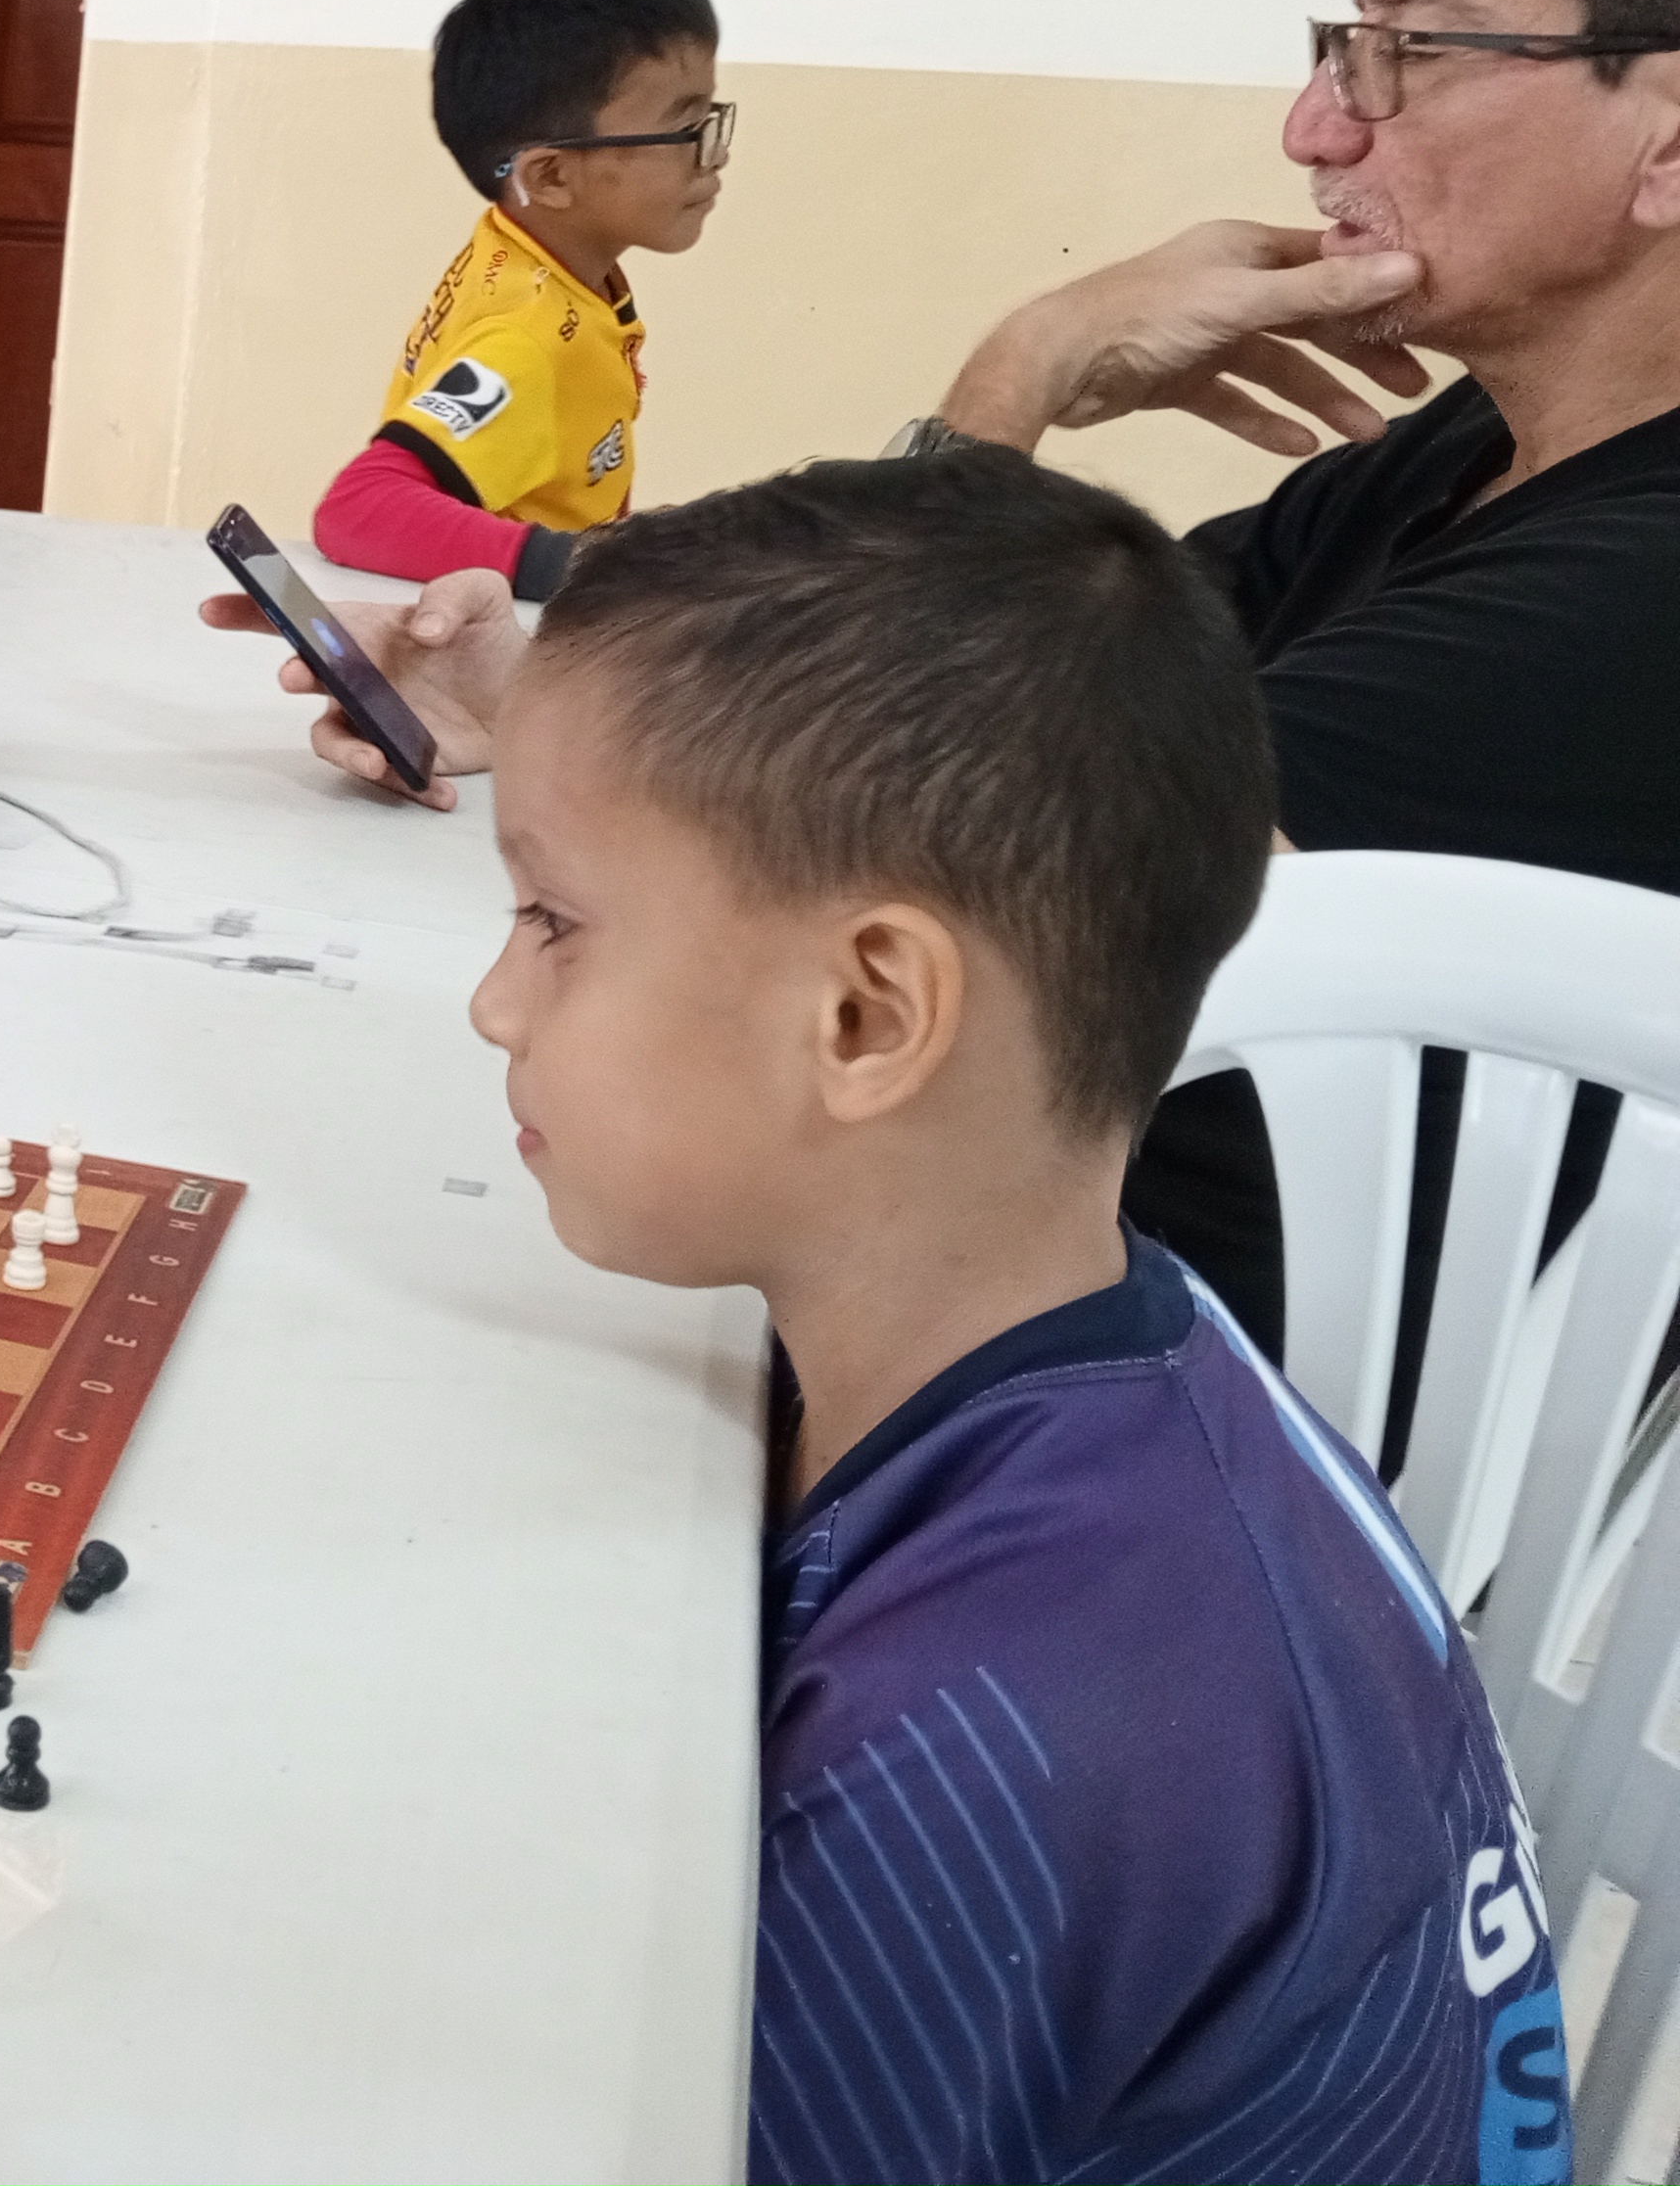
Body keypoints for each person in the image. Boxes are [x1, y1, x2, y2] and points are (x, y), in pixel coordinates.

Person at [223, 0, 1680, 1360]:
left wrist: (1028, 363)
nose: (1315, 124)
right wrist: (550, 688)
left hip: (1124, 1400)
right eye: (1343, 43)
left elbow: (922, 819)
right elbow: (995, 679)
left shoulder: (1629, 590)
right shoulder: (1469, 450)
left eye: (1409, 48)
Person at [482, 450, 1556, 2178]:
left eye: (551, 921)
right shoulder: (1154, 1354)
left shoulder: (974, 1745)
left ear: (864, 1015)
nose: (492, 1002)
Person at [309, 0, 729, 602]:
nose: (715, 156)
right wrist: (594, 568)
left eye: (712, 120)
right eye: (686, 132)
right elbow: (359, 508)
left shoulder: (544, 260)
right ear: (551, 176)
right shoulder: (528, 337)